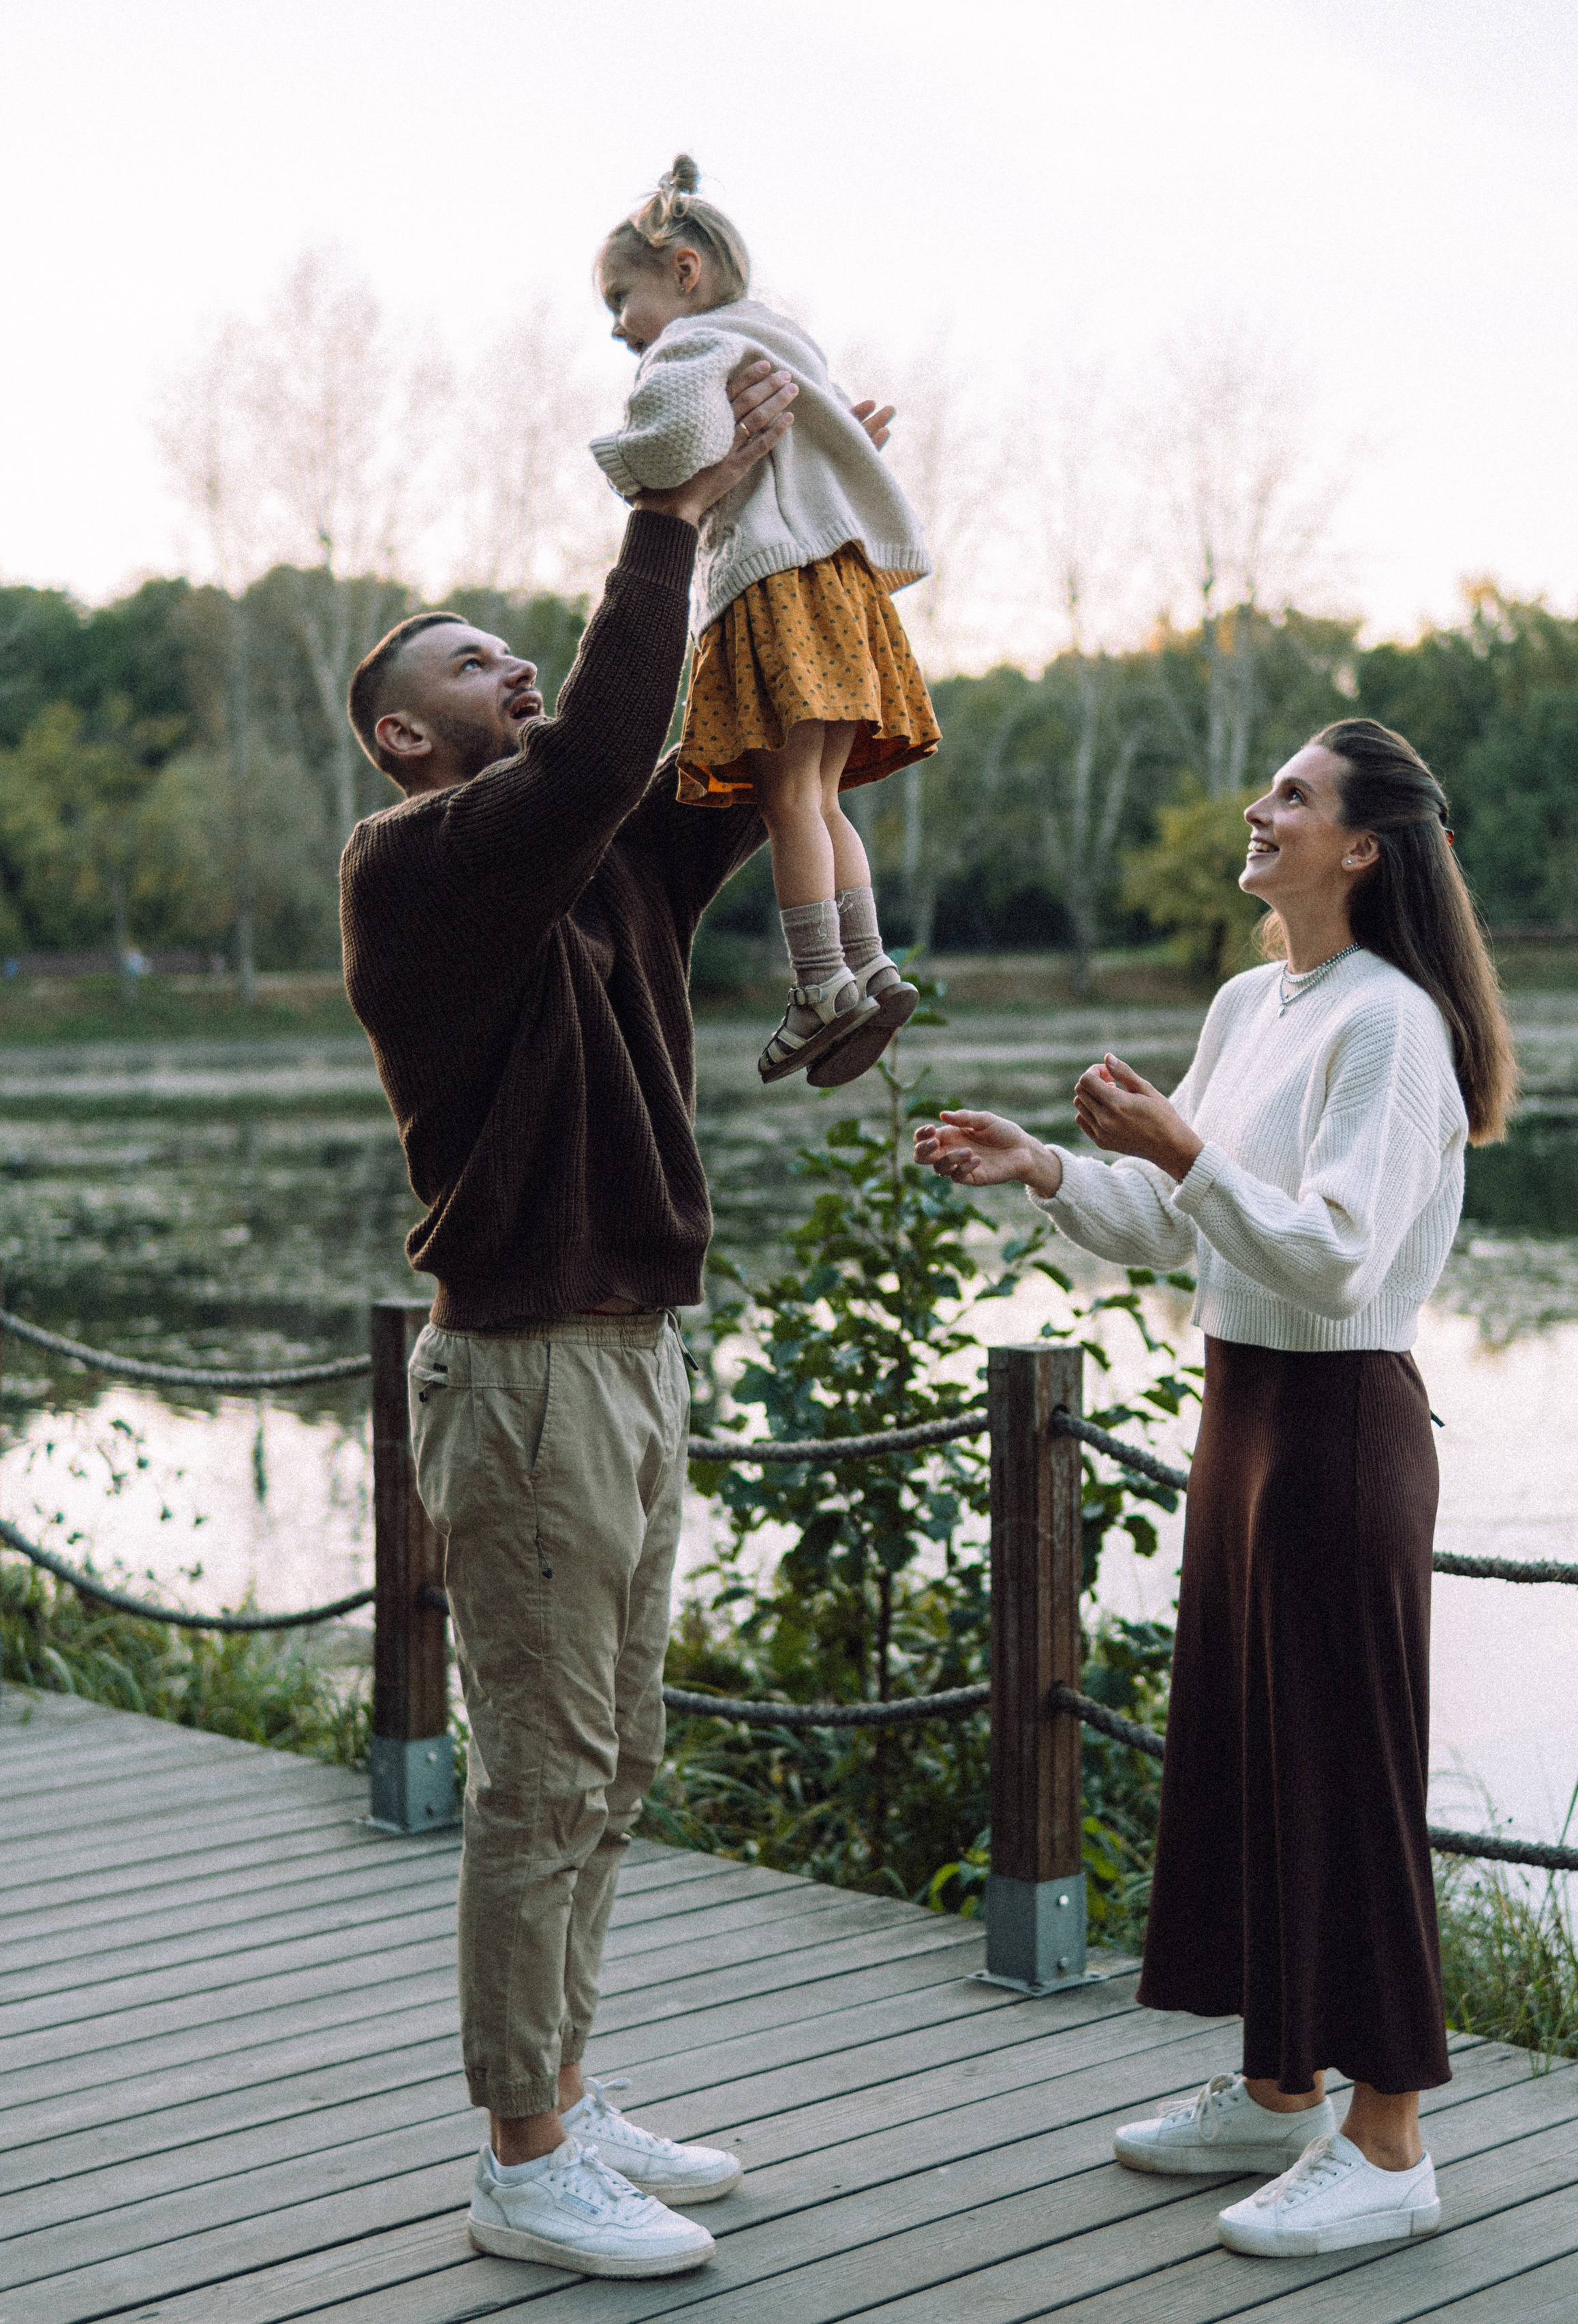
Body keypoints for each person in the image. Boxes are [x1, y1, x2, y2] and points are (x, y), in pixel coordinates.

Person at [340, 355, 855, 2282]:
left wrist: (804, 511)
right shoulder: (413, 871)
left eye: (513, 645)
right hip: (529, 1361)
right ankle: (521, 2156)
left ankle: (563, 2081)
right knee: (544, 1773)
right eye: (469, 662)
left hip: (633, 1350)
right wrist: (666, 509)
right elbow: (600, 744)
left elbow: (726, 749)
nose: (514, 664)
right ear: (405, 737)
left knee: (617, 1758)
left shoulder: (597, 859)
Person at [914, 719, 1517, 2262]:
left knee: (1348, 1780)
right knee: (1253, 1758)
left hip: (1339, 1425)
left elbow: (1336, 1255)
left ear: (1362, 846)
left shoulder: (1392, 1024)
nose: (1259, 808)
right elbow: (1180, 1222)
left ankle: (1389, 2143)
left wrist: (1182, 1149)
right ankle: (1276, 2088)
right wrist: (1049, 1167)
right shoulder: (1255, 1001)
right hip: (1242, 1415)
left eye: (1292, 796)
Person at [590, 154, 939, 1090]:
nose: (618, 326)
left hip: (771, 587)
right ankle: (870, 966)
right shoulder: (789, 343)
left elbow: (675, 436)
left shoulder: (692, 346)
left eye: (621, 299)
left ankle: (821, 985)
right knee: (820, 796)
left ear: (685, 271)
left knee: (786, 800)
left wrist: (625, 464)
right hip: (841, 592)